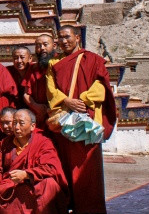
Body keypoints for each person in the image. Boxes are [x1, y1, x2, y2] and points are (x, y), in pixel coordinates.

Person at [47, 25, 116, 214]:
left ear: (77, 38)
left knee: (88, 171)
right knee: (65, 167)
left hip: (87, 121)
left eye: (67, 37)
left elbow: (101, 85)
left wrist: (83, 100)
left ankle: (90, 209)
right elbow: (51, 90)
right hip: (64, 122)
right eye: (60, 38)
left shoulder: (93, 60)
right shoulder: (54, 63)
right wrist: (67, 101)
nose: (63, 41)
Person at [0, 109, 67, 214]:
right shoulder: (6, 143)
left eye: (21, 123)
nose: (16, 127)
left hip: (32, 184)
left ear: (32, 126)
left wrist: (26, 174)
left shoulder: (43, 143)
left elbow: (51, 168)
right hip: (9, 185)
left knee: (49, 184)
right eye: (14, 123)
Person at [22, 34, 55, 127]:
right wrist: (36, 106)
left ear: (54, 46)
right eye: (38, 46)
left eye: (45, 44)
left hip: (57, 112)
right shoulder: (33, 68)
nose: (42, 48)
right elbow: (26, 93)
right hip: (38, 114)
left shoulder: (60, 64)